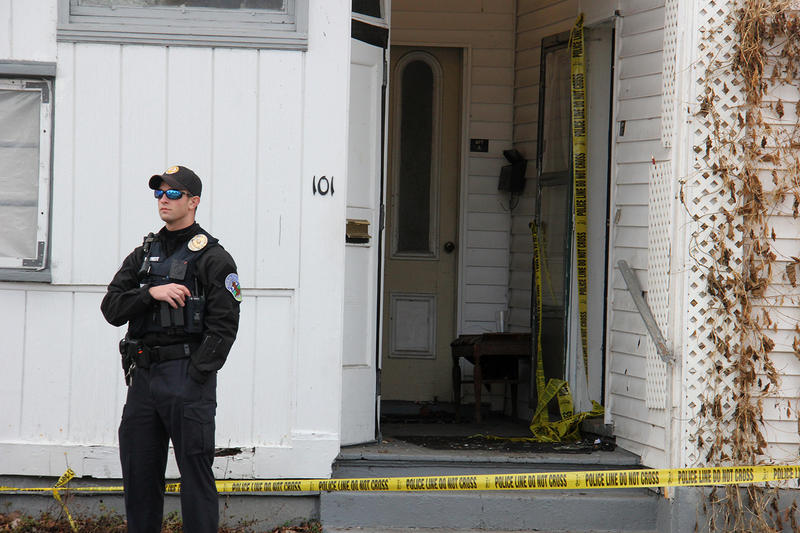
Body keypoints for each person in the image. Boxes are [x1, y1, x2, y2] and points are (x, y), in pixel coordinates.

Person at [101, 165, 241, 533]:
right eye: (159, 193)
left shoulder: (213, 256)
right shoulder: (144, 254)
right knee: (140, 474)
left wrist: (195, 376)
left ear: (193, 202)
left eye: (173, 193)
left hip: (185, 377)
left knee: (194, 475)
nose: (164, 199)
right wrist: (150, 293)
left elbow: (224, 326)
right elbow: (112, 309)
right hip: (143, 379)